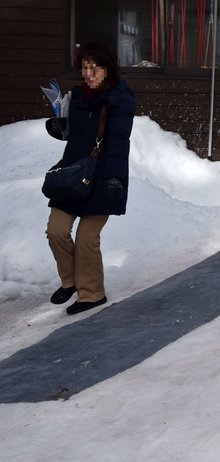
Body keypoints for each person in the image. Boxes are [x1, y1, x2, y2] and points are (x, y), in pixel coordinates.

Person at [44, 42, 135, 315]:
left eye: (94, 68)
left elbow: (119, 142)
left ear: (108, 69)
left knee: (86, 238)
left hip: (105, 178)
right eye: (85, 68)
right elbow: (70, 135)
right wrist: (57, 127)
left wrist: (115, 180)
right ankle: (71, 282)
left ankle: (92, 293)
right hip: (73, 175)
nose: (89, 74)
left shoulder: (120, 98)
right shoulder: (76, 96)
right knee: (56, 231)